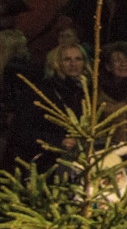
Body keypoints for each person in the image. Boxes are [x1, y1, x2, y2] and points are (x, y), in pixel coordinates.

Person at [8, 41, 88, 169]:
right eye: (67, 59)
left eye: (78, 59)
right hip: (44, 162)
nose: (73, 64)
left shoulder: (84, 92)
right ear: (55, 63)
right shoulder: (40, 92)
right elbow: (21, 131)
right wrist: (58, 141)